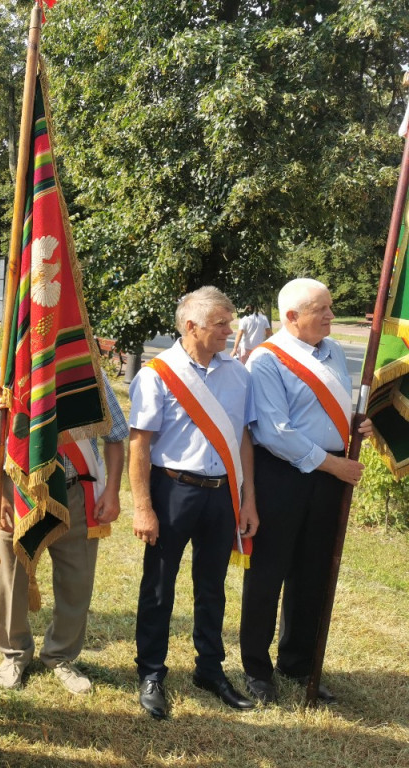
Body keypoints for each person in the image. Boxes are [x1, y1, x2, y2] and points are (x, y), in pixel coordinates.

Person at [240, 278, 372, 705]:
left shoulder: (332, 350)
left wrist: (355, 424)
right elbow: (277, 433)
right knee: (268, 572)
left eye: (331, 306)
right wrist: (336, 464)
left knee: (314, 572)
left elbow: (325, 409)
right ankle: (256, 671)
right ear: (292, 317)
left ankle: (297, 662)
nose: (332, 315)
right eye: (323, 309)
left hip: (328, 478)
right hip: (282, 476)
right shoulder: (265, 361)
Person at [128, 286, 258, 720]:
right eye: (221, 323)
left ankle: (210, 669)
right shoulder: (156, 374)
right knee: (160, 586)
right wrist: (143, 507)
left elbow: (242, 440)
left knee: (212, 586)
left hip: (222, 495)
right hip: (172, 491)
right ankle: (150, 672)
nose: (230, 330)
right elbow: (140, 446)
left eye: (230, 321)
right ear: (191, 326)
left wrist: (248, 500)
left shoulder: (238, 374)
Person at [0, 368, 127, 694]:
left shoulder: (88, 373)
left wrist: (112, 490)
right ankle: (14, 653)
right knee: (12, 579)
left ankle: (61, 655)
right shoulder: (7, 372)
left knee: (76, 581)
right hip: (21, 492)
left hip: (74, 492)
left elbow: (115, 435)